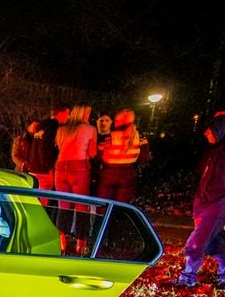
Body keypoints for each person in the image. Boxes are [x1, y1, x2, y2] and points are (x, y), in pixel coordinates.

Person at [172, 113, 225, 288]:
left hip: (215, 207)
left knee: (195, 244)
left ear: (221, 131)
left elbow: (223, 182)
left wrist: (205, 200)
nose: (206, 134)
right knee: (214, 244)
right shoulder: (222, 150)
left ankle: (187, 278)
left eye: (211, 131)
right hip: (216, 206)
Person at [54, 104, 97, 252]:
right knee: (81, 207)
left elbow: (60, 148)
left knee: (63, 206)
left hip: (60, 167)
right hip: (79, 167)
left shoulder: (61, 130)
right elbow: (92, 153)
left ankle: (60, 243)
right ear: (85, 114)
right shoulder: (90, 129)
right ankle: (80, 245)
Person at [95, 109, 151, 204]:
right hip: (128, 173)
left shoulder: (109, 137)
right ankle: (116, 218)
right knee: (121, 205)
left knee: (103, 204)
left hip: (109, 173)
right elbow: (144, 157)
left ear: (118, 121)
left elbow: (98, 156)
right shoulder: (140, 137)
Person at [25, 105, 69, 191]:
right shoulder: (54, 127)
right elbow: (46, 147)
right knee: (43, 198)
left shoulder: (41, 127)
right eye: (67, 113)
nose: (69, 116)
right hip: (44, 170)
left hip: (33, 167)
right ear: (61, 113)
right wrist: (49, 165)